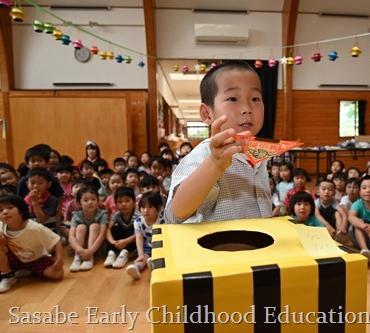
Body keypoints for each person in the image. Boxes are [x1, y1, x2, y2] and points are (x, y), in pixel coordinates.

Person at [165, 61, 271, 223]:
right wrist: (215, 164)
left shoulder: (259, 153)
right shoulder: (203, 154)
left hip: (256, 244)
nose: (247, 108)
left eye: (255, 98)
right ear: (207, 114)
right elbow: (177, 211)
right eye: (233, 98)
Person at [0, 195, 64, 293]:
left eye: (10, 208)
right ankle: (8, 276)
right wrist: (2, 242)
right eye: (0, 210)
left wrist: (59, 259)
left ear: (22, 210)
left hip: (36, 258)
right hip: (14, 258)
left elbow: (56, 240)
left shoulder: (34, 228)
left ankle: (28, 270)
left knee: (58, 274)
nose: (5, 212)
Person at [126, 192, 164, 280]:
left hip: (160, 246)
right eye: (143, 207)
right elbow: (138, 238)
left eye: (150, 207)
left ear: (158, 208)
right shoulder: (138, 221)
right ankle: (136, 268)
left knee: (159, 256)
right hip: (146, 246)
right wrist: (141, 254)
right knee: (144, 258)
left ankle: (153, 265)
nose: (145, 210)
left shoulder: (163, 221)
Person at [69, 187, 108, 272]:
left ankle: (89, 258)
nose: (90, 202)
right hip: (81, 246)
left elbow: (102, 235)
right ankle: (77, 257)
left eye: (93, 199)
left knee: (94, 226)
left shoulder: (102, 214)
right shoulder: (76, 216)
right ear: (79, 204)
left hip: (96, 246)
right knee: (81, 227)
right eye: (86, 200)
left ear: (98, 201)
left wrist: (90, 251)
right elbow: (71, 237)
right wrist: (79, 250)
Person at [104, 187, 140, 269]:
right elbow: (108, 229)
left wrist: (126, 241)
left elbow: (139, 234)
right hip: (120, 240)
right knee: (115, 229)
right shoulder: (117, 215)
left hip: (131, 240)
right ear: (116, 204)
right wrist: (113, 242)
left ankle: (125, 253)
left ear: (134, 202)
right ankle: (111, 253)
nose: (123, 204)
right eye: (120, 202)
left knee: (135, 229)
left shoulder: (138, 216)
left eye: (127, 201)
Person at [24, 168, 59, 232]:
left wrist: (34, 202)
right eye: (32, 183)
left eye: (40, 183)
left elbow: (43, 219)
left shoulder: (52, 200)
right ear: (27, 184)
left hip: (48, 232)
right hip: (31, 232)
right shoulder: (25, 200)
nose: (35, 186)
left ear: (48, 185)